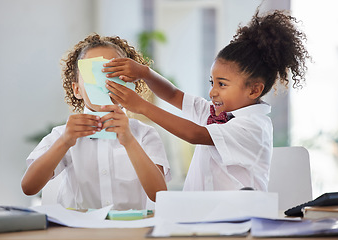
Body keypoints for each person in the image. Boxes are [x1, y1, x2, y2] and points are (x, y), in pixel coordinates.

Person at [101, 10, 310, 191]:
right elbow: (173, 95)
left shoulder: (254, 126)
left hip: (240, 220)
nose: (212, 92)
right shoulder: (214, 113)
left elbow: (194, 134)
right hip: (201, 216)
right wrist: (145, 73)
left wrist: (143, 107)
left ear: (254, 90)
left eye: (222, 84)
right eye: (212, 82)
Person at [21, 34, 171, 210]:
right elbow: (29, 187)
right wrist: (64, 142)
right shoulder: (63, 135)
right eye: (94, 73)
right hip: (79, 232)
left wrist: (130, 141)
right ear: (77, 89)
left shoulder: (145, 134)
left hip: (130, 230)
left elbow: (159, 194)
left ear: (129, 81)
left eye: (114, 73)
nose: (105, 82)